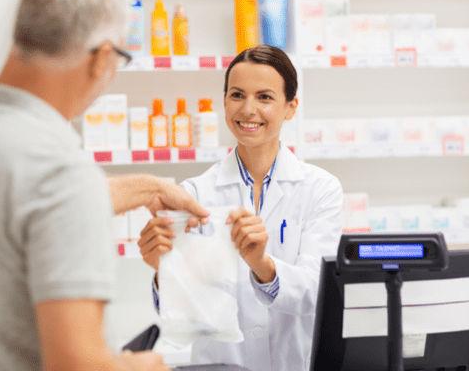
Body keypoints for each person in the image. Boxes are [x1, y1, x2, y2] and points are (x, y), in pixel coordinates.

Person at [0, 0, 208, 370]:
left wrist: (147, 188)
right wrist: (145, 365)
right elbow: (77, 365)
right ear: (103, 57)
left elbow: (15, 208)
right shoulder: (61, 171)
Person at [138, 45, 344, 371]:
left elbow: (316, 294)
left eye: (264, 97)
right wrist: (163, 271)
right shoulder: (194, 193)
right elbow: (184, 316)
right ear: (224, 102)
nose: (248, 109)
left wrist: (262, 264)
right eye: (237, 95)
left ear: (291, 107)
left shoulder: (321, 189)